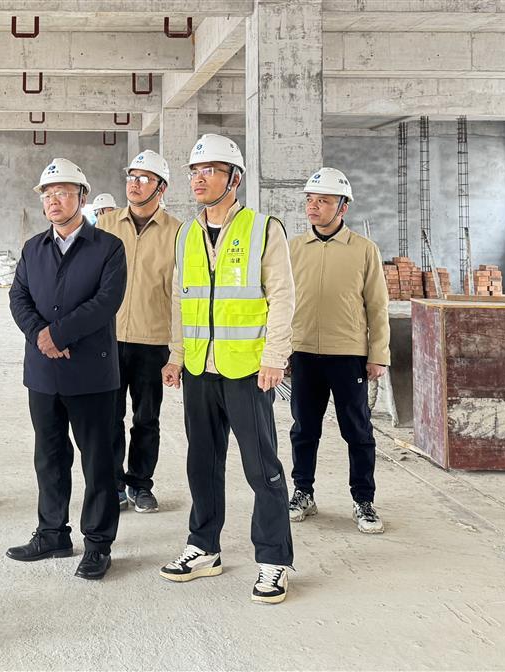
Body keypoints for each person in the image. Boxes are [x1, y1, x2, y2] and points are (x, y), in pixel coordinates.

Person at [159, 134, 295, 604]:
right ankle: (203, 547)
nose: (199, 179)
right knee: (202, 461)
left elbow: (282, 296)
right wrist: (176, 354)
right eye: (195, 171)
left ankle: (273, 559)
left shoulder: (263, 228)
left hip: (247, 369)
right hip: (199, 367)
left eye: (210, 171)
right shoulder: (186, 234)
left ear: (234, 179)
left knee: (261, 467)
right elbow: (180, 299)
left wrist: (275, 356)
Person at [8, 158, 126, 581]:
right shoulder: (32, 248)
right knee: (49, 457)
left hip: (90, 374)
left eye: (62, 192)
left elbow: (106, 302)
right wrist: (40, 334)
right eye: (47, 193)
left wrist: (58, 334)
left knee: (98, 461)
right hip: (43, 374)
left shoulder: (108, 247)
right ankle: (52, 533)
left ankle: (98, 544)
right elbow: (18, 297)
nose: (53, 200)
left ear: (82, 196)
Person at [287, 167, 390, 534]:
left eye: (323, 201)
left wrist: (378, 354)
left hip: (348, 355)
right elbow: (278, 302)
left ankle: (364, 500)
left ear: (342, 207)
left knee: (357, 430)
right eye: (310, 200)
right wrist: (278, 349)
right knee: (304, 429)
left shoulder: (364, 250)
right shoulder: (293, 248)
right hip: (302, 352)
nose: (313, 207)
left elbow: (377, 305)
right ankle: (303, 492)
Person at [96, 150, 180, 513]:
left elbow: (181, 295)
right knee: (108, 417)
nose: (134, 184)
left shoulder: (178, 233)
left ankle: (140, 484)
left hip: (153, 341)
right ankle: (113, 483)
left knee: (147, 418)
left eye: (144, 179)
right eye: (131, 177)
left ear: (161, 188)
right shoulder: (106, 225)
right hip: (108, 339)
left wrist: (177, 352)